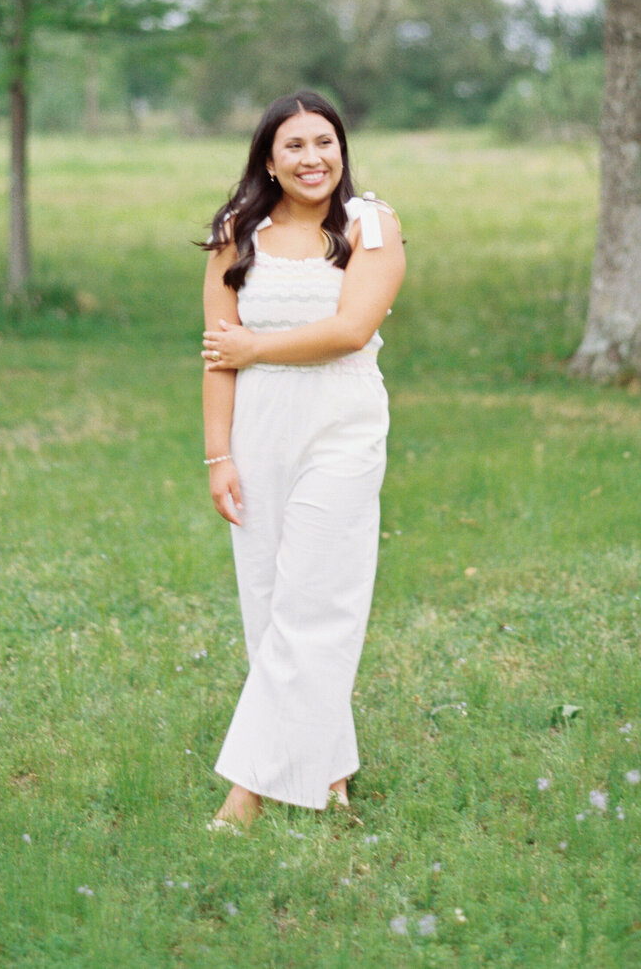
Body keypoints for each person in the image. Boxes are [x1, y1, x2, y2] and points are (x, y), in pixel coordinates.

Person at [199, 90, 406, 829]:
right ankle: (329, 772)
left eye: (325, 142)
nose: (313, 158)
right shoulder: (237, 234)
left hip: (341, 429)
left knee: (316, 604)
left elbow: (351, 330)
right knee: (270, 606)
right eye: (295, 146)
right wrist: (218, 456)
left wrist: (257, 347)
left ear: (342, 150)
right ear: (269, 159)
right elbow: (217, 356)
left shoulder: (370, 226)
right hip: (258, 434)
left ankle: (246, 792)